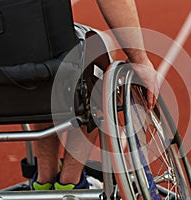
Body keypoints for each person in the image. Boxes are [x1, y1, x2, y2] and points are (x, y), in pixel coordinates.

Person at [32, 0, 158, 190]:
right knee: (96, 50)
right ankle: (70, 182)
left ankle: (44, 180)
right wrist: (139, 59)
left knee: (32, 50)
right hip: (46, 57)